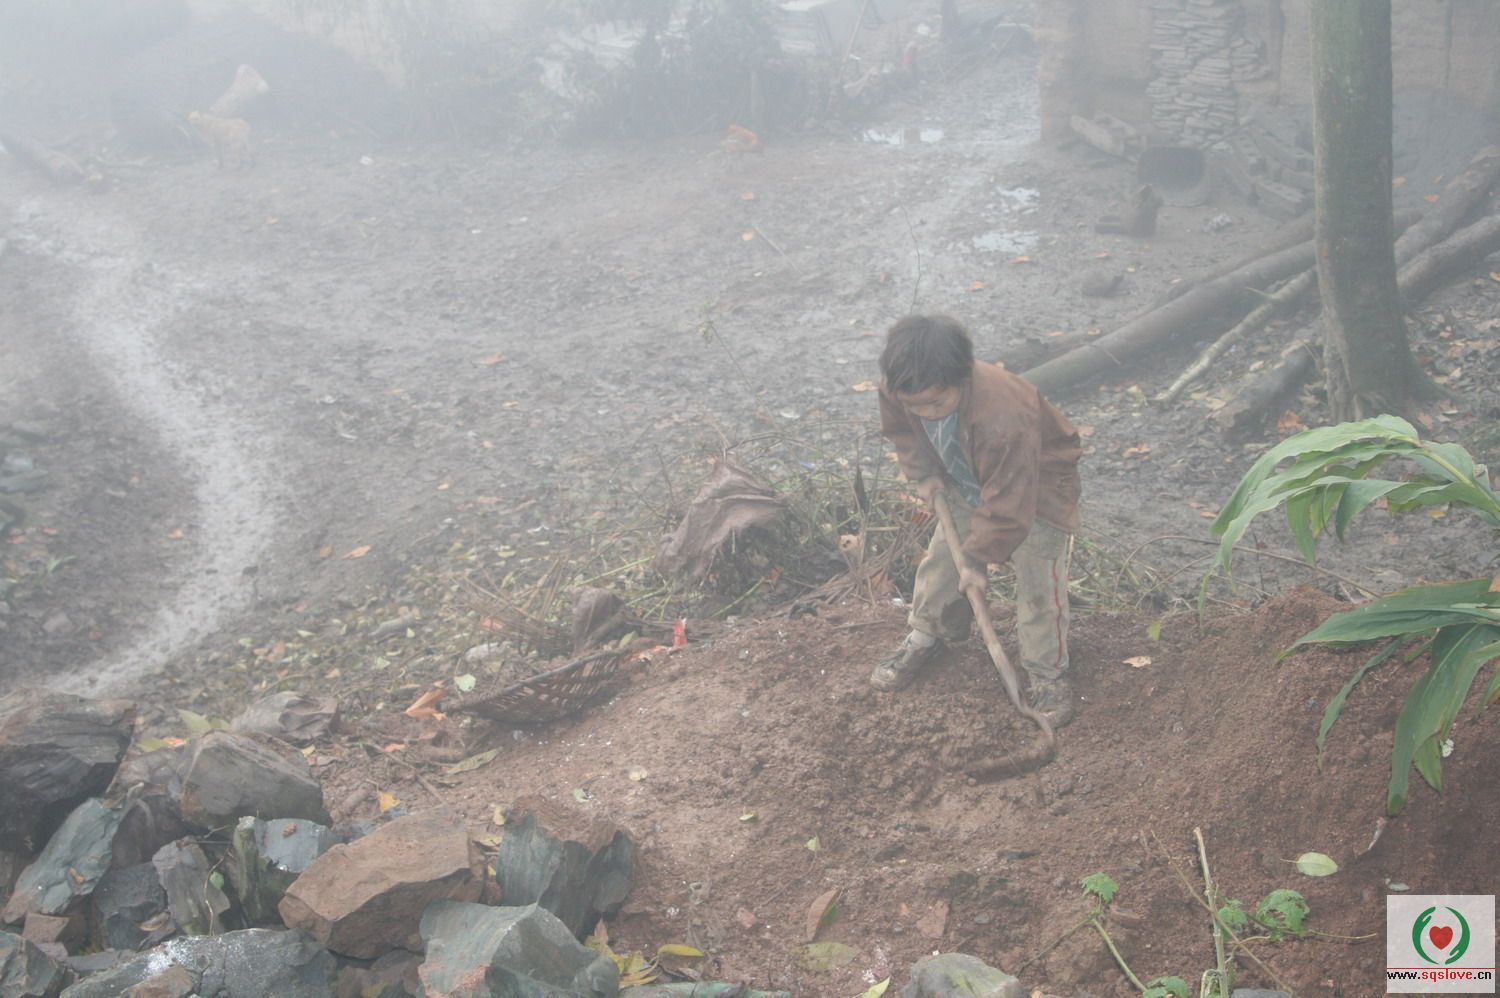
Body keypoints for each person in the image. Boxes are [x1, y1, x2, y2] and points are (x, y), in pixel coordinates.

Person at [873, 314, 1083, 725]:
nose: (927, 414)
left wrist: (978, 561)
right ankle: (928, 635)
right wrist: (923, 472)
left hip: (1036, 487)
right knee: (942, 562)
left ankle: (1046, 671)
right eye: (916, 406)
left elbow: (1008, 503)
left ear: (962, 379)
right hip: (962, 473)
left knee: (1039, 582)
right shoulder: (902, 385)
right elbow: (901, 429)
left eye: (937, 404)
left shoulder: (1004, 415)